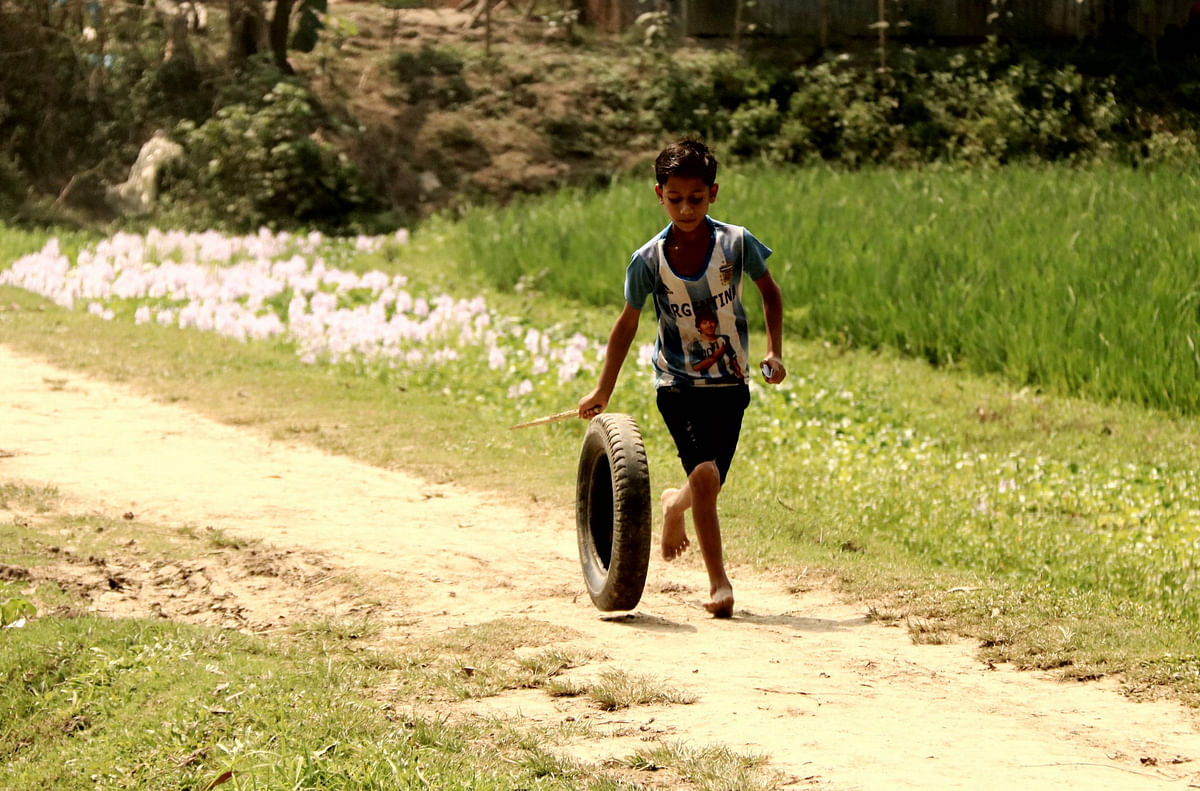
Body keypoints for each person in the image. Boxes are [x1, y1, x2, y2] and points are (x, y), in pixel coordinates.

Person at [578, 137, 785, 618]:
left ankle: (674, 506)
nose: (686, 208)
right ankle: (719, 583)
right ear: (659, 194)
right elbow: (627, 323)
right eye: (675, 199)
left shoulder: (736, 242)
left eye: (696, 198)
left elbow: (770, 294)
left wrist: (774, 350)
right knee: (707, 477)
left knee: (707, 485)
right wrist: (603, 389)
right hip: (678, 385)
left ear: (713, 193)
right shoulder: (647, 260)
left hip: (731, 383)